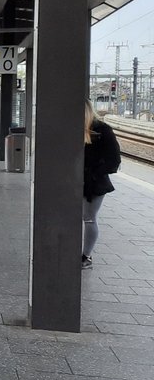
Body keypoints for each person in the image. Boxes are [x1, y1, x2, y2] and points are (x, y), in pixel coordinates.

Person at [83, 102, 121, 269]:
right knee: (79, 217)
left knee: (89, 218)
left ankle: (86, 255)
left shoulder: (102, 130)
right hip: (71, 180)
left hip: (94, 183)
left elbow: (114, 160)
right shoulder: (69, 127)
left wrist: (94, 172)